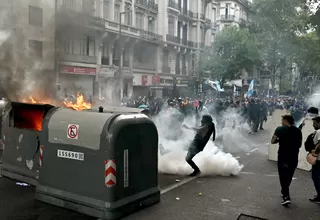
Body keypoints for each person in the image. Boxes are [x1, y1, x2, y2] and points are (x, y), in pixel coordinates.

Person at [271, 115, 302, 206]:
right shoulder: (298, 131)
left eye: (282, 120)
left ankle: (286, 196)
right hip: (294, 156)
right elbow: (299, 145)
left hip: (283, 156)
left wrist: (279, 139)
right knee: (288, 176)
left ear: (285, 120)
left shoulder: (280, 129)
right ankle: (284, 191)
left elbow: (273, 141)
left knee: (283, 176)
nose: (281, 122)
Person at [309, 116, 320, 204]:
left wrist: (314, 154)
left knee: (316, 177)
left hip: (319, 159)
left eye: (314, 123)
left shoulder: (319, 131)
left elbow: (319, 145)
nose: (313, 125)